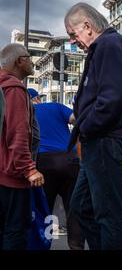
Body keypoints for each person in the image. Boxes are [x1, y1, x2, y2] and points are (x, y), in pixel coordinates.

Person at [65, 2, 122, 250]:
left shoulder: (109, 45)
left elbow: (113, 96)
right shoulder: (108, 45)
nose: (73, 40)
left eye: (73, 34)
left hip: (104, 140)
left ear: (87, 26)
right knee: (83, 208)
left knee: (107, 213)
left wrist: (87, 126)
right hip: (99, 140)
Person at [0, 43, 45, 250]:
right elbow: (17, 133)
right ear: (19, 61)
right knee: (15, 232)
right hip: (11, 177)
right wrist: (29, 168)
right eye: (29, 57)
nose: (32, 61)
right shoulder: (15, 88)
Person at [31, 93, 84, 250]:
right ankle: (77, 247)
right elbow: (76, 119)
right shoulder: (55, 106)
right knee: (74, 209)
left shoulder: (27, 110)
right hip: (69, 160)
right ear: (37, 99)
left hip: (43, 161)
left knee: (44, 210)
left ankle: (44, 245)